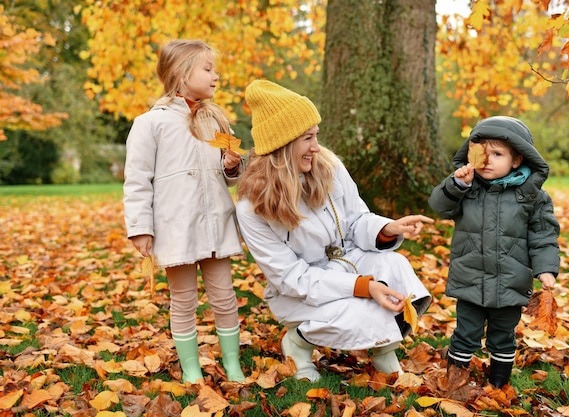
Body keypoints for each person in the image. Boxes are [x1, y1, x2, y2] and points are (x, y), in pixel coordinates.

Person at [235, 79, 433, 382]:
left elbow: (356, 220)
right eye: (307, 138)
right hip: (299, 293)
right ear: (282, 145)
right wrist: (364, 287)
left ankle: (383, 349)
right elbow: (292, 278)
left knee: (396, 266)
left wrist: (388, 228)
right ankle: (298, 344)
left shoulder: (327, 166)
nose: (316, 146)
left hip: (346, 263)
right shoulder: (252, 208)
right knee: (357, 309)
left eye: (316, 135)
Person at [123, 40, 246, 384]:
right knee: (183, 300)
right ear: (181, 73)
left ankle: (232, 364)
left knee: (224, 297)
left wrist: (232, 165)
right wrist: (140, 228)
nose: (215, 76)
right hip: (176, 227)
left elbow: (230, 175)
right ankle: (192, 369)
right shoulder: (150, 124)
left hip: (216, 225)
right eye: (207, 69)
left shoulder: (216, 121)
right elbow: (137, 180)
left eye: (214, 69)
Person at [428, 116, 560, 388]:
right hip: (470, 279)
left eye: (497, 154)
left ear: (517, 160)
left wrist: (545, 268)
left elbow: (543, 235)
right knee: (466, 332)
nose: (487, 160)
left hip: (510, 281)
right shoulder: (467, 187)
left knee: (502, 335)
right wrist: (457, 184)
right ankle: (455, 381)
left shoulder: (532, 195)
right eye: (481, 153)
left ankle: (499, 384)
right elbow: (440, 206)